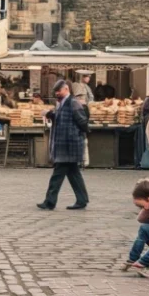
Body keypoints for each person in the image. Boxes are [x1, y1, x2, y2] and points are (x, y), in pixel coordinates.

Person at [37, 80, 89, 210]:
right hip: (64, 145)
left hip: (69, 145)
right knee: (74, 174)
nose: (56, 93)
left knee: (57, 175)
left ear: (66, 89)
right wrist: (49, 114)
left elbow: (82, 121)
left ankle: (50, 202)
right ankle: (82, 200)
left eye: (58, 91)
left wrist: (79, 135)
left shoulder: (73, 102)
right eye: (56, 91)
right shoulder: (62, 103)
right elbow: (61, 118)